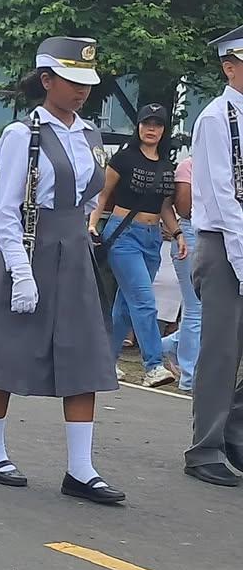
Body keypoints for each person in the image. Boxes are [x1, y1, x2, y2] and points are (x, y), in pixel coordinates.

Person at [0, 36, 124, 504]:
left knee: (85, 357)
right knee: (9, 352)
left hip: (73, 250)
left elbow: (92, 197)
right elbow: (6, 210)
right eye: (71, 81)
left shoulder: (90, 134)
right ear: (47, 79)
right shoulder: (22, 135)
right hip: (29, 249)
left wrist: (87, 232)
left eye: (86, 82)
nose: (81, 90)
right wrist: (20, 270)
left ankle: (81, 468)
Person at [184, 25, 243, 485]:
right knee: (221, 351)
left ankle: (234, 430)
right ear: (229, 67)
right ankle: (204, 448)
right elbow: (223, 197)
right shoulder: (217, 118)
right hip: (226, 246)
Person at [88, 103, 184, 388]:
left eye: (157, 124)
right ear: (138, 127)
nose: (151, 128)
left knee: (126, 304)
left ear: (164, 130)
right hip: (123, 234)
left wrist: (177, 233)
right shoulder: (124, 159)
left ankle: (105, 360)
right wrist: (92, 223)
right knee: (143, 299)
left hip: (153, 237)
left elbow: (165, 207)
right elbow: (102, 195)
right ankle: (153, 365)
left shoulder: (168, 165)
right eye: (146, 123)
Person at [160, 155, 201, 392]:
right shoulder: (189, 165)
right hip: (190, 231)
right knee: (195, 307)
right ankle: (189, 376)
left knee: (207, 309)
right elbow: (184, 208)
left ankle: (168, 345)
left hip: (224, 235)